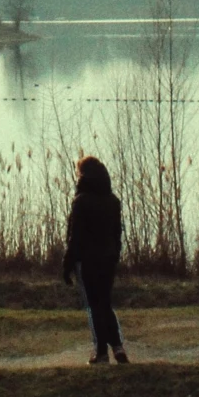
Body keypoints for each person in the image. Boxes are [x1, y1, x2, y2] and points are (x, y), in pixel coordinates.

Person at [62, 155, 128, 364]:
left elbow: (75, 236)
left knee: (94, 306)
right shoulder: (113, 201)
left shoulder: (81, 201)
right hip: (108, 260)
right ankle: (118, 348)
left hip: (88, 260)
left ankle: (100, 352)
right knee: (105, 304)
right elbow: (118, 233)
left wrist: (67, 264)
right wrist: (115, 253)